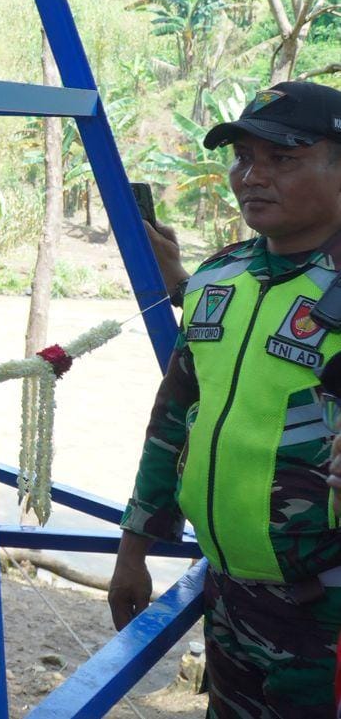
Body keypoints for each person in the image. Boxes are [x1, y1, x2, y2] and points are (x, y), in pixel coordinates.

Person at [110, 81, 341, 718]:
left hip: (327, 614)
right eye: (243, 158)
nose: (252, 177)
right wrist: (135, 548)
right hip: (231, 597)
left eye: (285, 160)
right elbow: (173, 420)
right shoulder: (222, 277)